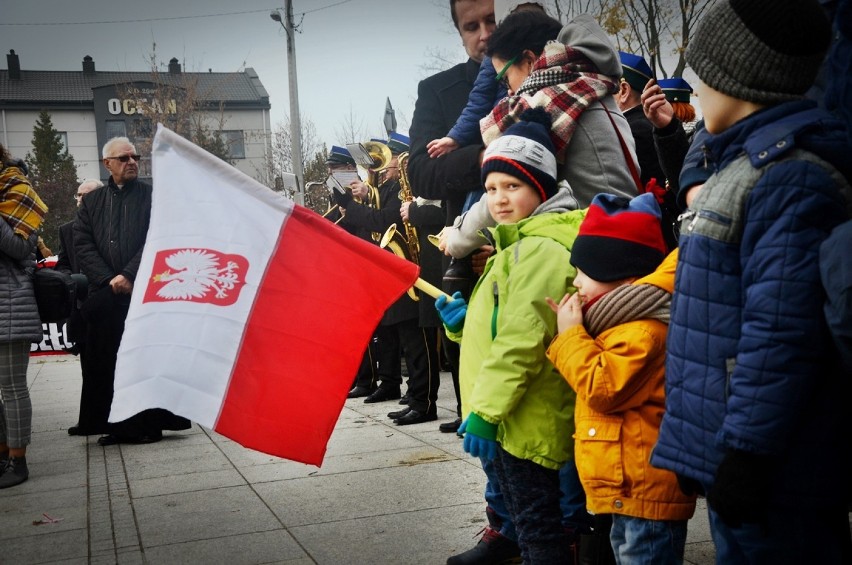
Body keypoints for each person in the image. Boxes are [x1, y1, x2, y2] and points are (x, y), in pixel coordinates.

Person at [649, 1, 852, 563]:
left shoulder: (791, 177)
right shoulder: (738, 166)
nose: (693, 92)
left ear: (738, 78)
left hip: (776, 467)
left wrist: (746, 452)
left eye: (701, 77)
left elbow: (781, 334)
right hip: (736, 452)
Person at [436, 109, 585, 564]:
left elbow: (522, 341)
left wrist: (484, 412)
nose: (499, 200)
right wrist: (462, 323)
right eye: (491, 189)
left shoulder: (540, 250)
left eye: (512, 187)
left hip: (526, 415)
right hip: (509, 416)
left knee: (541, 528)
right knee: (525, 518)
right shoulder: (513, 244)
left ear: (540, 188)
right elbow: (500, 323)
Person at [546, 193, 697, 564]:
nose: (576, 282)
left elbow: (603, 388)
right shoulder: (618, 322)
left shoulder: (642, 331)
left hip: (644, 491)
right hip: (628, 487)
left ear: (624, 277)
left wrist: (570, 337)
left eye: (585, 272)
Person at [442, 10, 639, 261]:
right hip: (622, 236)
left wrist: (457, 238)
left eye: (505, 77)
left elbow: (507, 182)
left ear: (529, 61)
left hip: (596, 249)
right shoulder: (588, 87)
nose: (509, 89)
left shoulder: (549, 102)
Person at [408, 0, 496, 441]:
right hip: (470, 263)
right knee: (480, 416)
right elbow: (419, 171)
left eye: (493, 21)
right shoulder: (438, 91)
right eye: (472, 26)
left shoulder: (552, 73)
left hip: (544, 257)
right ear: (460, 34)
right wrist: (486, 158)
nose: (485, 34)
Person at [74, 137, 191, 446]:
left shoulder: (153, 197)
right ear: (107, 164)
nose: (132, 162)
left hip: (146, 294)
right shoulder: (92, 202)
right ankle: (116, 426)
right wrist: (108, 278)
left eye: (135, 156)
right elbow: (82, 245)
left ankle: (149, 425)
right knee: (108, 362)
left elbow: (159, 237)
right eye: (123, 158)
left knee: (147, 361)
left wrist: (128, 274)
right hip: (108, 295)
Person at [335, 137, 441, 425]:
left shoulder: (401, 190)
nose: (384, 166)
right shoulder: (385, 188)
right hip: (395, 269)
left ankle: (423, 401)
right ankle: (417, 397)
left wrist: (357, 203)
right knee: (407, 336)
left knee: (418, 340)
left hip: (410, 266)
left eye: (392, 158)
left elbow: (383, 221)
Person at [0, 142, 47, 488]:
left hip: (10, 302)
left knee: (12, 386)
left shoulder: (18, 189)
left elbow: (18, 247)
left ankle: (18, 461)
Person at [323, 145, 380, 399]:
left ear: (347, 169)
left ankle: (368, 379)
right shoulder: (341, 194)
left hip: (363, 263)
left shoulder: (360, 191)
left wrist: (349, 207)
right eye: (330, 169)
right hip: (348, 266)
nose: (331, 172)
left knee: (366, 327)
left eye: (335, 168)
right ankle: (360, 377)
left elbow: (366, 223)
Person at [57, 178, 103, 434]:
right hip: (82, 307)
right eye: (79, 195)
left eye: (87, 195)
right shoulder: (67, 230)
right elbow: (62, 264)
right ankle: (90, 419)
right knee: (88, 366)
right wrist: (71, 280)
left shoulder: (111, 227)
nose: (81, 199)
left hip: (109, 302)